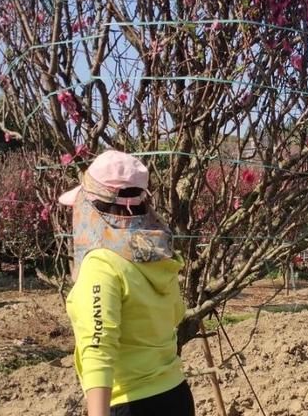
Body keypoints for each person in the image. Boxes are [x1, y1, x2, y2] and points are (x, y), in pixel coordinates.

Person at [59, 150, 195, 416]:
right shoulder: (157, 255)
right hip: (175, 395)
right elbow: (176, 314)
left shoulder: (101, 264)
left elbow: (98, 348)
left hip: (130, 404)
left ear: (92, 206)